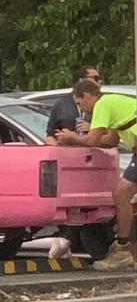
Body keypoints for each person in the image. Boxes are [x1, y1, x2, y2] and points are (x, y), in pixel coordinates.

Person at [56, 79, 137, 271]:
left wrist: (71, 138)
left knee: (121, 193)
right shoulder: (115, 104)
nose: (82, 109)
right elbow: (110, 141)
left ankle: (122, 250)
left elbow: (92, 138)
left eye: (79, 103)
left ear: (87, 96)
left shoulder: (102, 104)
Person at [46, 65, 102, 258]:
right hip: (67, 159)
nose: (99, 82)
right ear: (81, 82)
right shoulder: (61, 105)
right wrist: (56, 151)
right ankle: (65, 237)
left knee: (90, 203)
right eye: (95, 78)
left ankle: (71, 238)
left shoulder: (100, 103)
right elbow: (50, 133)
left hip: (94, 157)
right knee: (69, 202)